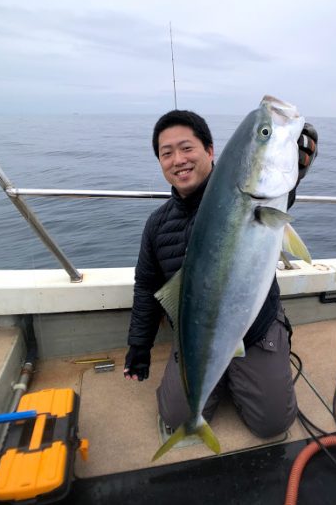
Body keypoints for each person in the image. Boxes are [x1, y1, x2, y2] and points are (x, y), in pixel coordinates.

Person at [124, 109, 318, 438]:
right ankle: (220, 375)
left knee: (272, 424)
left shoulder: (250, 195)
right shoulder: (157, 225)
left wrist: (295, 165)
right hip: (197, 333)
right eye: (166, 153)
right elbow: (147, 287)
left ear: (210, 151)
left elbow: (276, 188)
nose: (178, 160)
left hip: (255, 328)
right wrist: (139, 348)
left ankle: (251, 364)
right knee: (177, 419)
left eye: (187, 148)